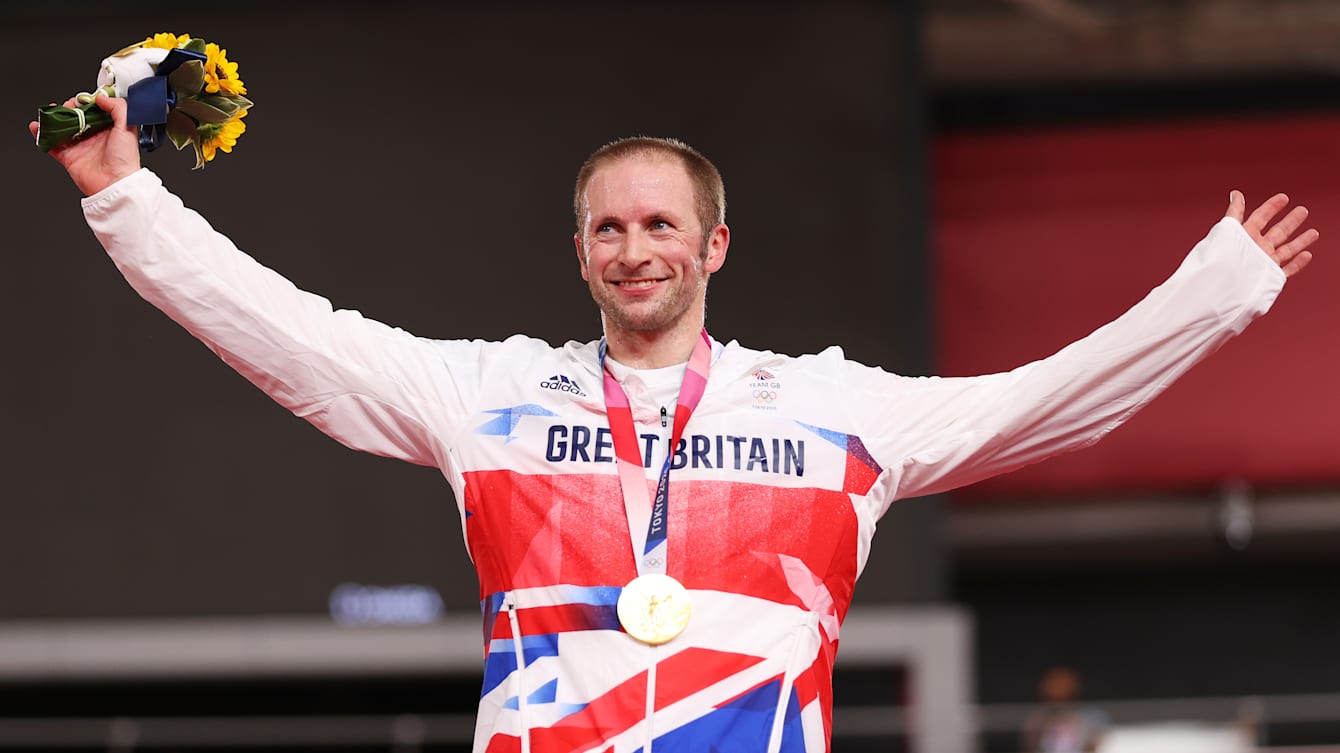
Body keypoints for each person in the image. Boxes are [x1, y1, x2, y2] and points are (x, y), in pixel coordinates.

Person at [32, 94, 1316, 753]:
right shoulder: (488, 397)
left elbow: (1046, 403)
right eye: (607, 226)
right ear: (578, 252)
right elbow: (286, 332)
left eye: (658, 225)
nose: (633, 249)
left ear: (711, 244)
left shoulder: (832, 410)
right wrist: (126, 204)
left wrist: (1211, 296)